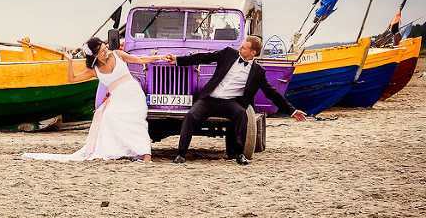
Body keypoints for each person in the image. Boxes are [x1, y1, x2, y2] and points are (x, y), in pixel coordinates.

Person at [23, 37, 172, 162]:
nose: (106, 51)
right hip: (118, 98)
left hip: (133, 93)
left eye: (105, 48)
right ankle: (124, 151)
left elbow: (139, 59)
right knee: (108, 117)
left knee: (136, 123)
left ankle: (146, 154)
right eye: (102, 51)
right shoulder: (93, 71)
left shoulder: (118, 55)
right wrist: (69, 61)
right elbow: (72, 78)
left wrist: (160, 57)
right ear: (95, 56)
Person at [167, 35, 307, 165]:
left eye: (244, 47)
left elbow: (272, 93)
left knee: (241, 113)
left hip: (229, 102)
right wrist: (178, 60)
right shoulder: (228, 54)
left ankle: (240, 154)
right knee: (190, 116)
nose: (239, 48)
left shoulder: (258, 71)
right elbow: (204, 57)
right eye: (241, 46)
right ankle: (180, 154)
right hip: (209, 99)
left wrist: (292, 111)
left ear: (253, 53)